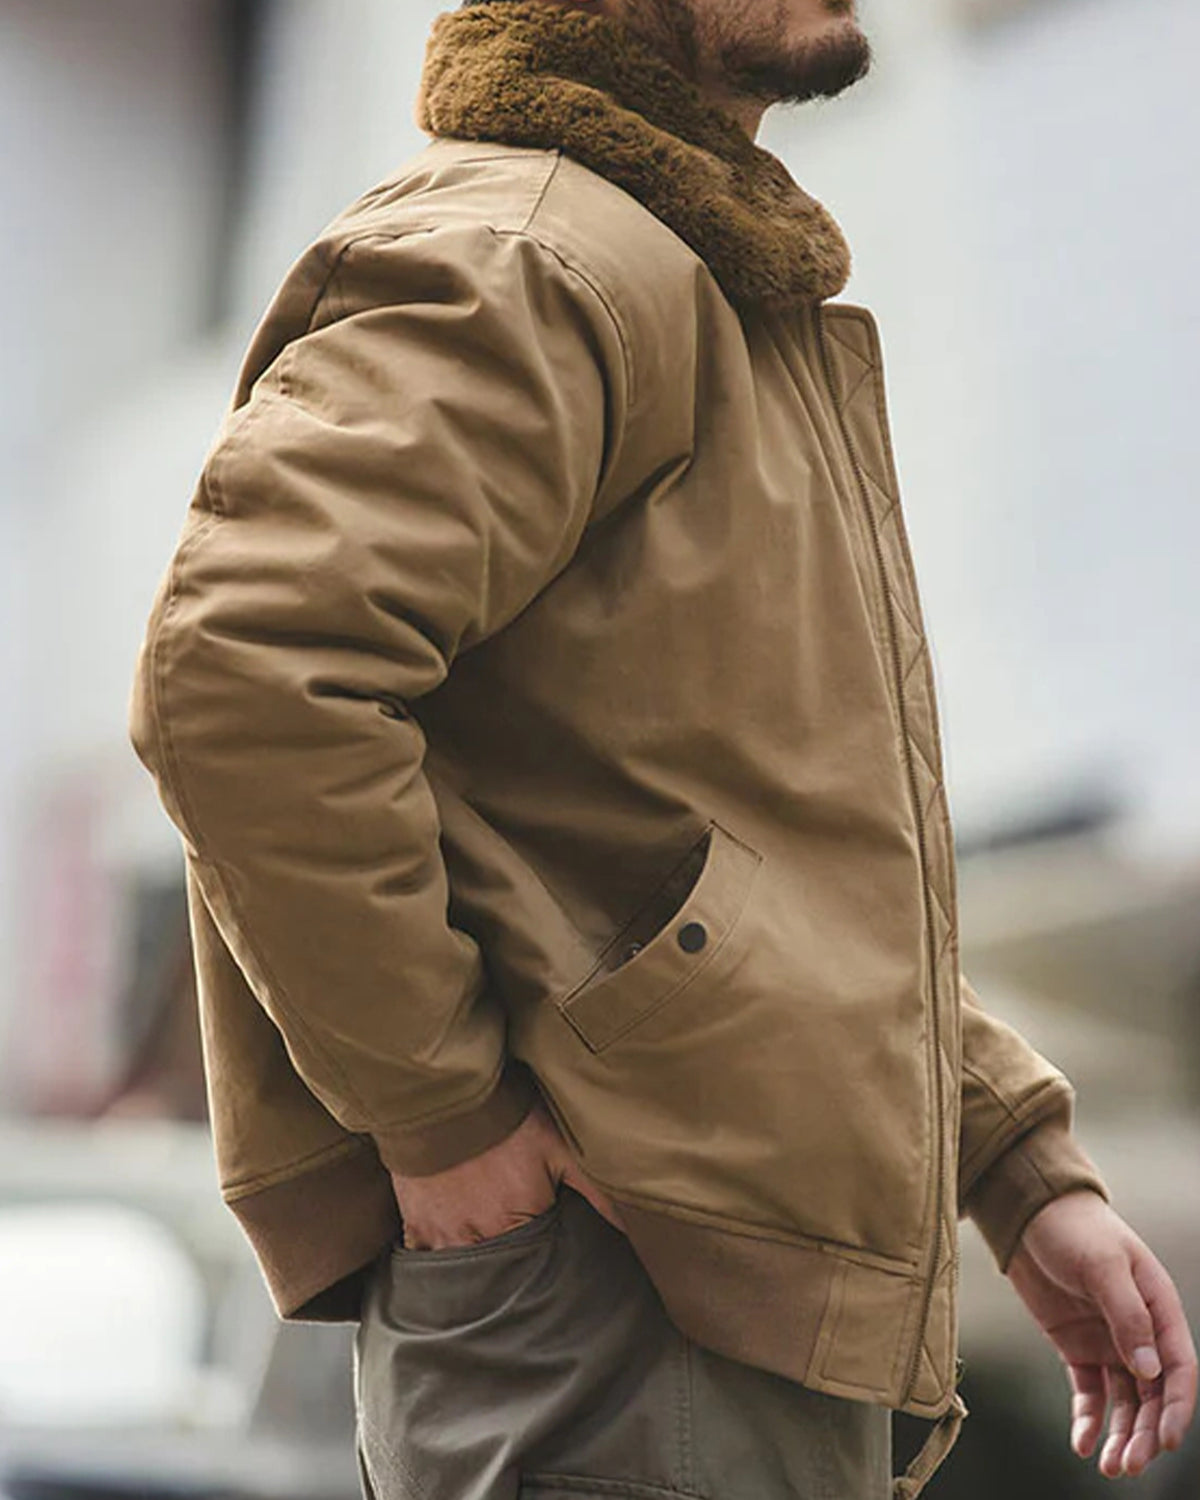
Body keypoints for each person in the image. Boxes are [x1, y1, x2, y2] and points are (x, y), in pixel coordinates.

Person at [129, 1, 1197, 1496]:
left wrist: (1007, 1160)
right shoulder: (527, 258)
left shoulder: (694, 288)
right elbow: (241, 677)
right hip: (606, 1301)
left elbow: (748, 861)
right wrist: (444, 1121)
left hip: (688, 1303)